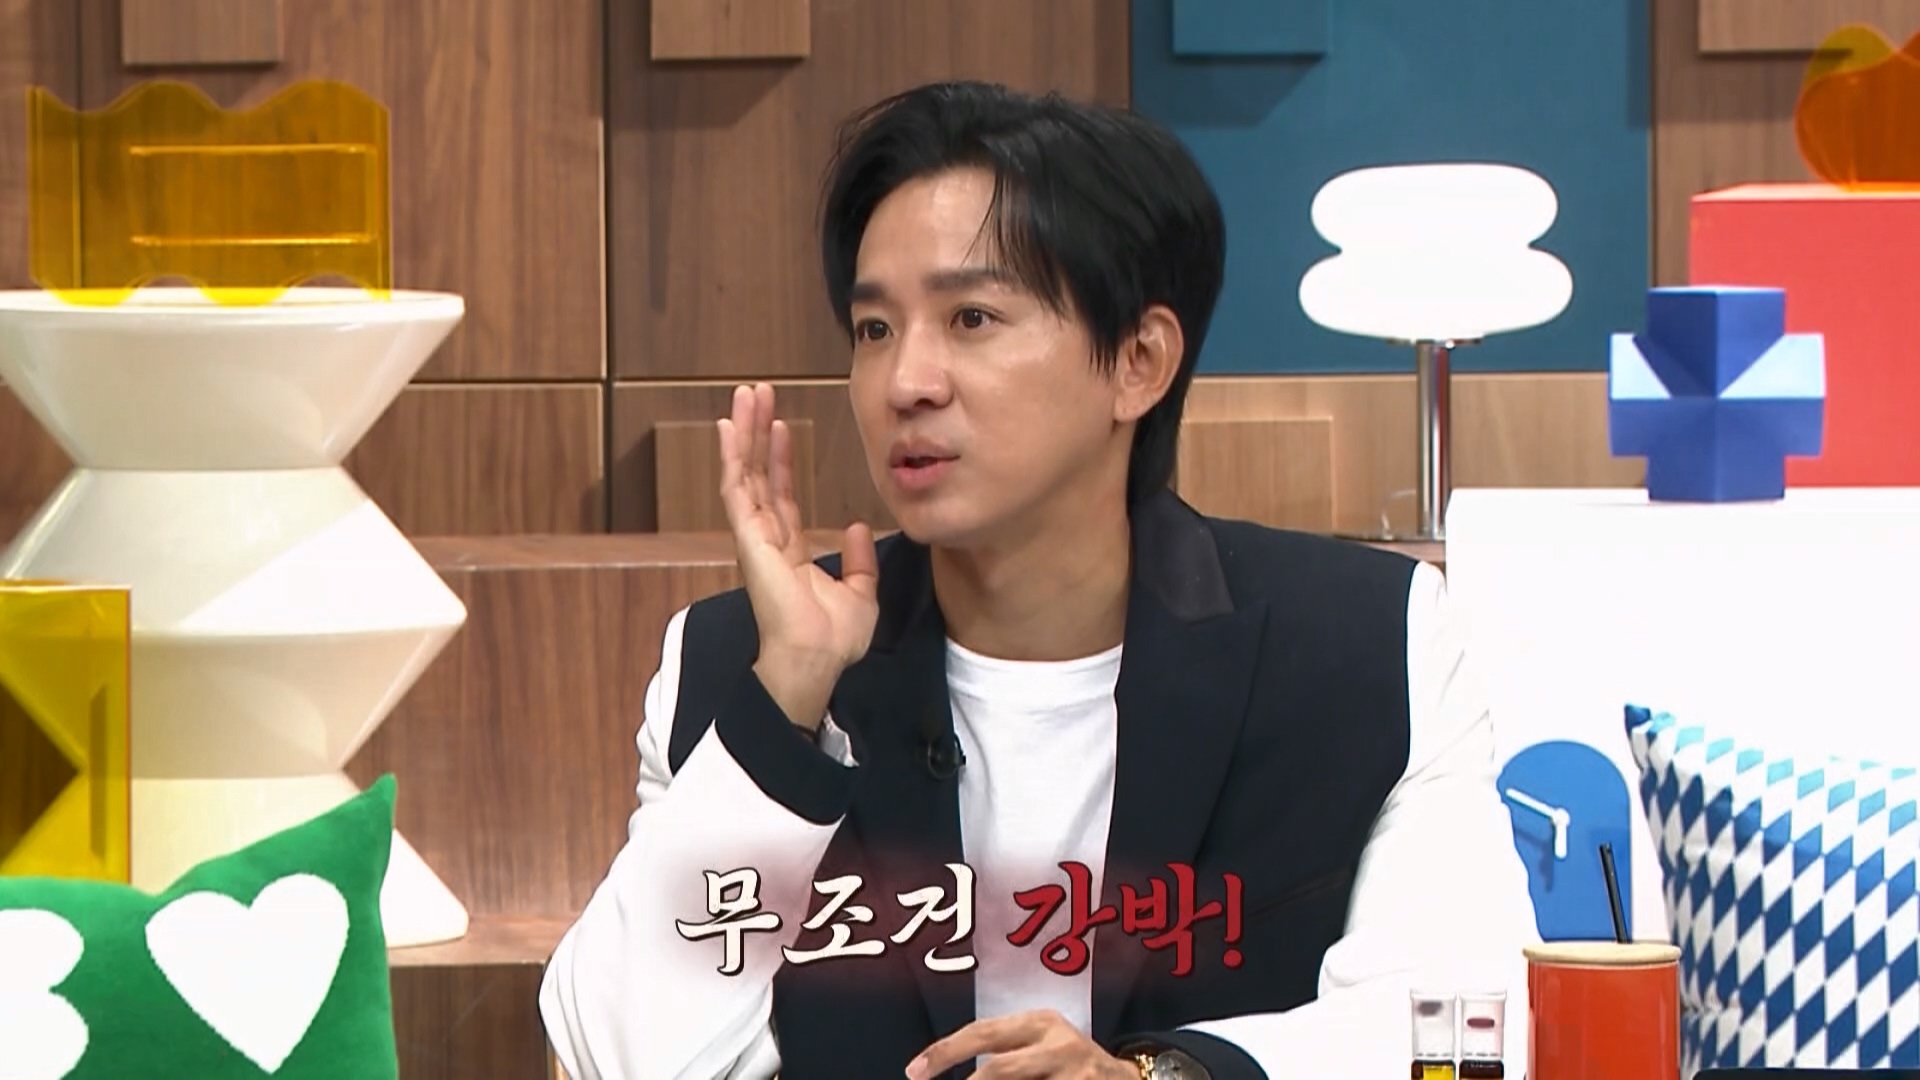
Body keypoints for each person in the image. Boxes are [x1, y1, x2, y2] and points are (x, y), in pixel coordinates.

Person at [539, 80, 1540, 1080]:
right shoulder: (736, 666)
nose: (905, 383)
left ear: (1138, 362)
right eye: (875, 329)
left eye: (971, 317)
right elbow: (613, 1059)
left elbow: (1459, 1026)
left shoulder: (1360, 650)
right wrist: (783, 709)